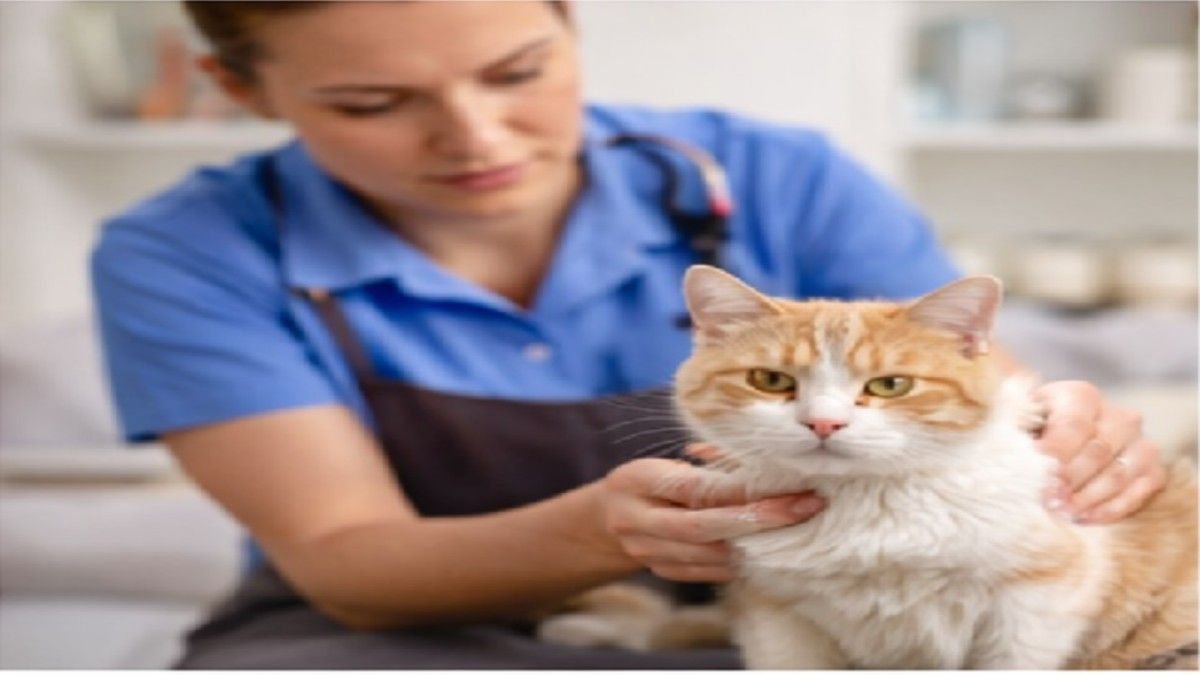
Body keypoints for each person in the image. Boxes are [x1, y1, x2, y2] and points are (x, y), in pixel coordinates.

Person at [91, 2, 1166, 669]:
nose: (476, 136)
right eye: (373, 102)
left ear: (569, 22)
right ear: (238, 88)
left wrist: (1055, 432)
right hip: (391, 627)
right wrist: (606, 534)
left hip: (781, 607)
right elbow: (346, 562)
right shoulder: (187, 251)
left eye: (517, 71)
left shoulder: (778, 174)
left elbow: (969, 384)